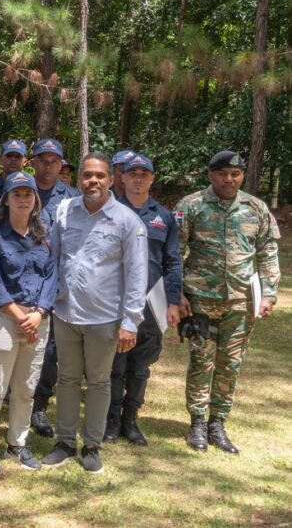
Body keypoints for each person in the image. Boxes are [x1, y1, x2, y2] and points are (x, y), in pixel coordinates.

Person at [40, 153, 147, 474]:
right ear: (78, 179)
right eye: (87, 175)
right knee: (68, 379)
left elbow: (137, 274)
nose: (93, 182)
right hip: (66, 314)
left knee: (99, 382)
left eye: (99, 176)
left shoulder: (127, 221)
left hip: (105, 318)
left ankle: (91, 445)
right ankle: (64, 442)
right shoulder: (64, 212)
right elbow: (53, 258)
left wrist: (130, 322)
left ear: (111, 180)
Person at [176, 150, 280, 454]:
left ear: (242, 175)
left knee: (230, 364)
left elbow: (268, 254)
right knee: (201, 361)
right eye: (222, 173)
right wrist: (177, 293)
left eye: (235, 174)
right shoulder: (191, 206)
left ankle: (217, 423)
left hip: (240, 302)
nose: (229, 179)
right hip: (201, 301)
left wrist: (270, 294)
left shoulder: (256, 208)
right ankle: (197, 422)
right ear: (211, 175)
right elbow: (175, 253)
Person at [0, 172, 57, 476]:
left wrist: (37, 315)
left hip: (36, 321)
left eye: (28, 195)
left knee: (25, 389)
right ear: (6, 200)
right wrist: (23, 317)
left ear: (35, 201)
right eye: (16, 195)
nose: (22, 200)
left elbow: (52, 279)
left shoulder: (44, 239)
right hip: (3, 321)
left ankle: (17, 442)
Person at [104, 154, 182, 446]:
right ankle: (111, 420)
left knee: (140, 366)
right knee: (114, 364)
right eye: (132, 173)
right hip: (115, 300)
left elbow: (173, 262)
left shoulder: (163, 216)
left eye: (143, 174)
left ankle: (131, 420)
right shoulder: (110, 212)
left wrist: (173, 302)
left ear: (152, 179)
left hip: (151, 301)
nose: (137, 178)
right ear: (122, 178)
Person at [28, 138, 81, 438]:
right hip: (22, 282)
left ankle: (39, 406)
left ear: (62, 165)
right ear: (32, 162)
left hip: (56, 287)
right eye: (42, 160)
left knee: (49, 351)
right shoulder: (20, 192)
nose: (47, 166)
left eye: (53, 161)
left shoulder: (73, 200)